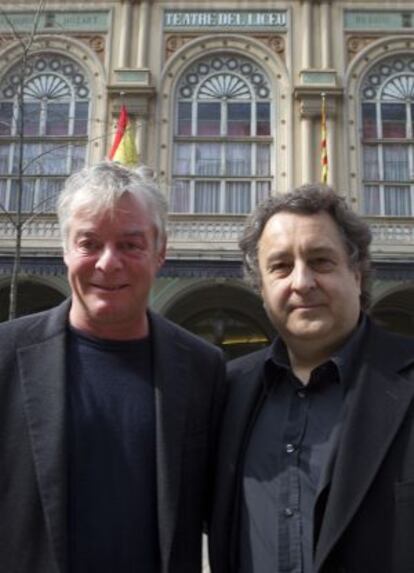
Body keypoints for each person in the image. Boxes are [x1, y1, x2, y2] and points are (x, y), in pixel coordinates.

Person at [0, 161, 225, 573]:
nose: (108, 263)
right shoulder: (5, 355)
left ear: (161, 252)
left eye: (130, 244)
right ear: (65, 250)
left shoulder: (203, 368)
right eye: (89, 243)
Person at [209, 184, 414, 573]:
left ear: (356, 274)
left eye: (320, 261)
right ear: (262, 287)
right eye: (281, 266)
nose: (301, 282)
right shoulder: (226, 390)